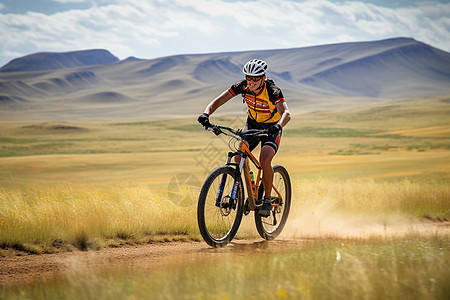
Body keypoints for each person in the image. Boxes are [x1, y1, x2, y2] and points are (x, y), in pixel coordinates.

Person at [198, 59, 291, 218]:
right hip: (253, 124)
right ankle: (244, 193)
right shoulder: (242, 86)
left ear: (263, 77)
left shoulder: (273, 90)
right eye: (249, 78)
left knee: (265, 160)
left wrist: (278, 126)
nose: (252, 82)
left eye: (256, 78)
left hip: (272, 127)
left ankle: (267, 200)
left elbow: (286, 114)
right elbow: (218, 101)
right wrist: (206, 114)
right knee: (238, 157)